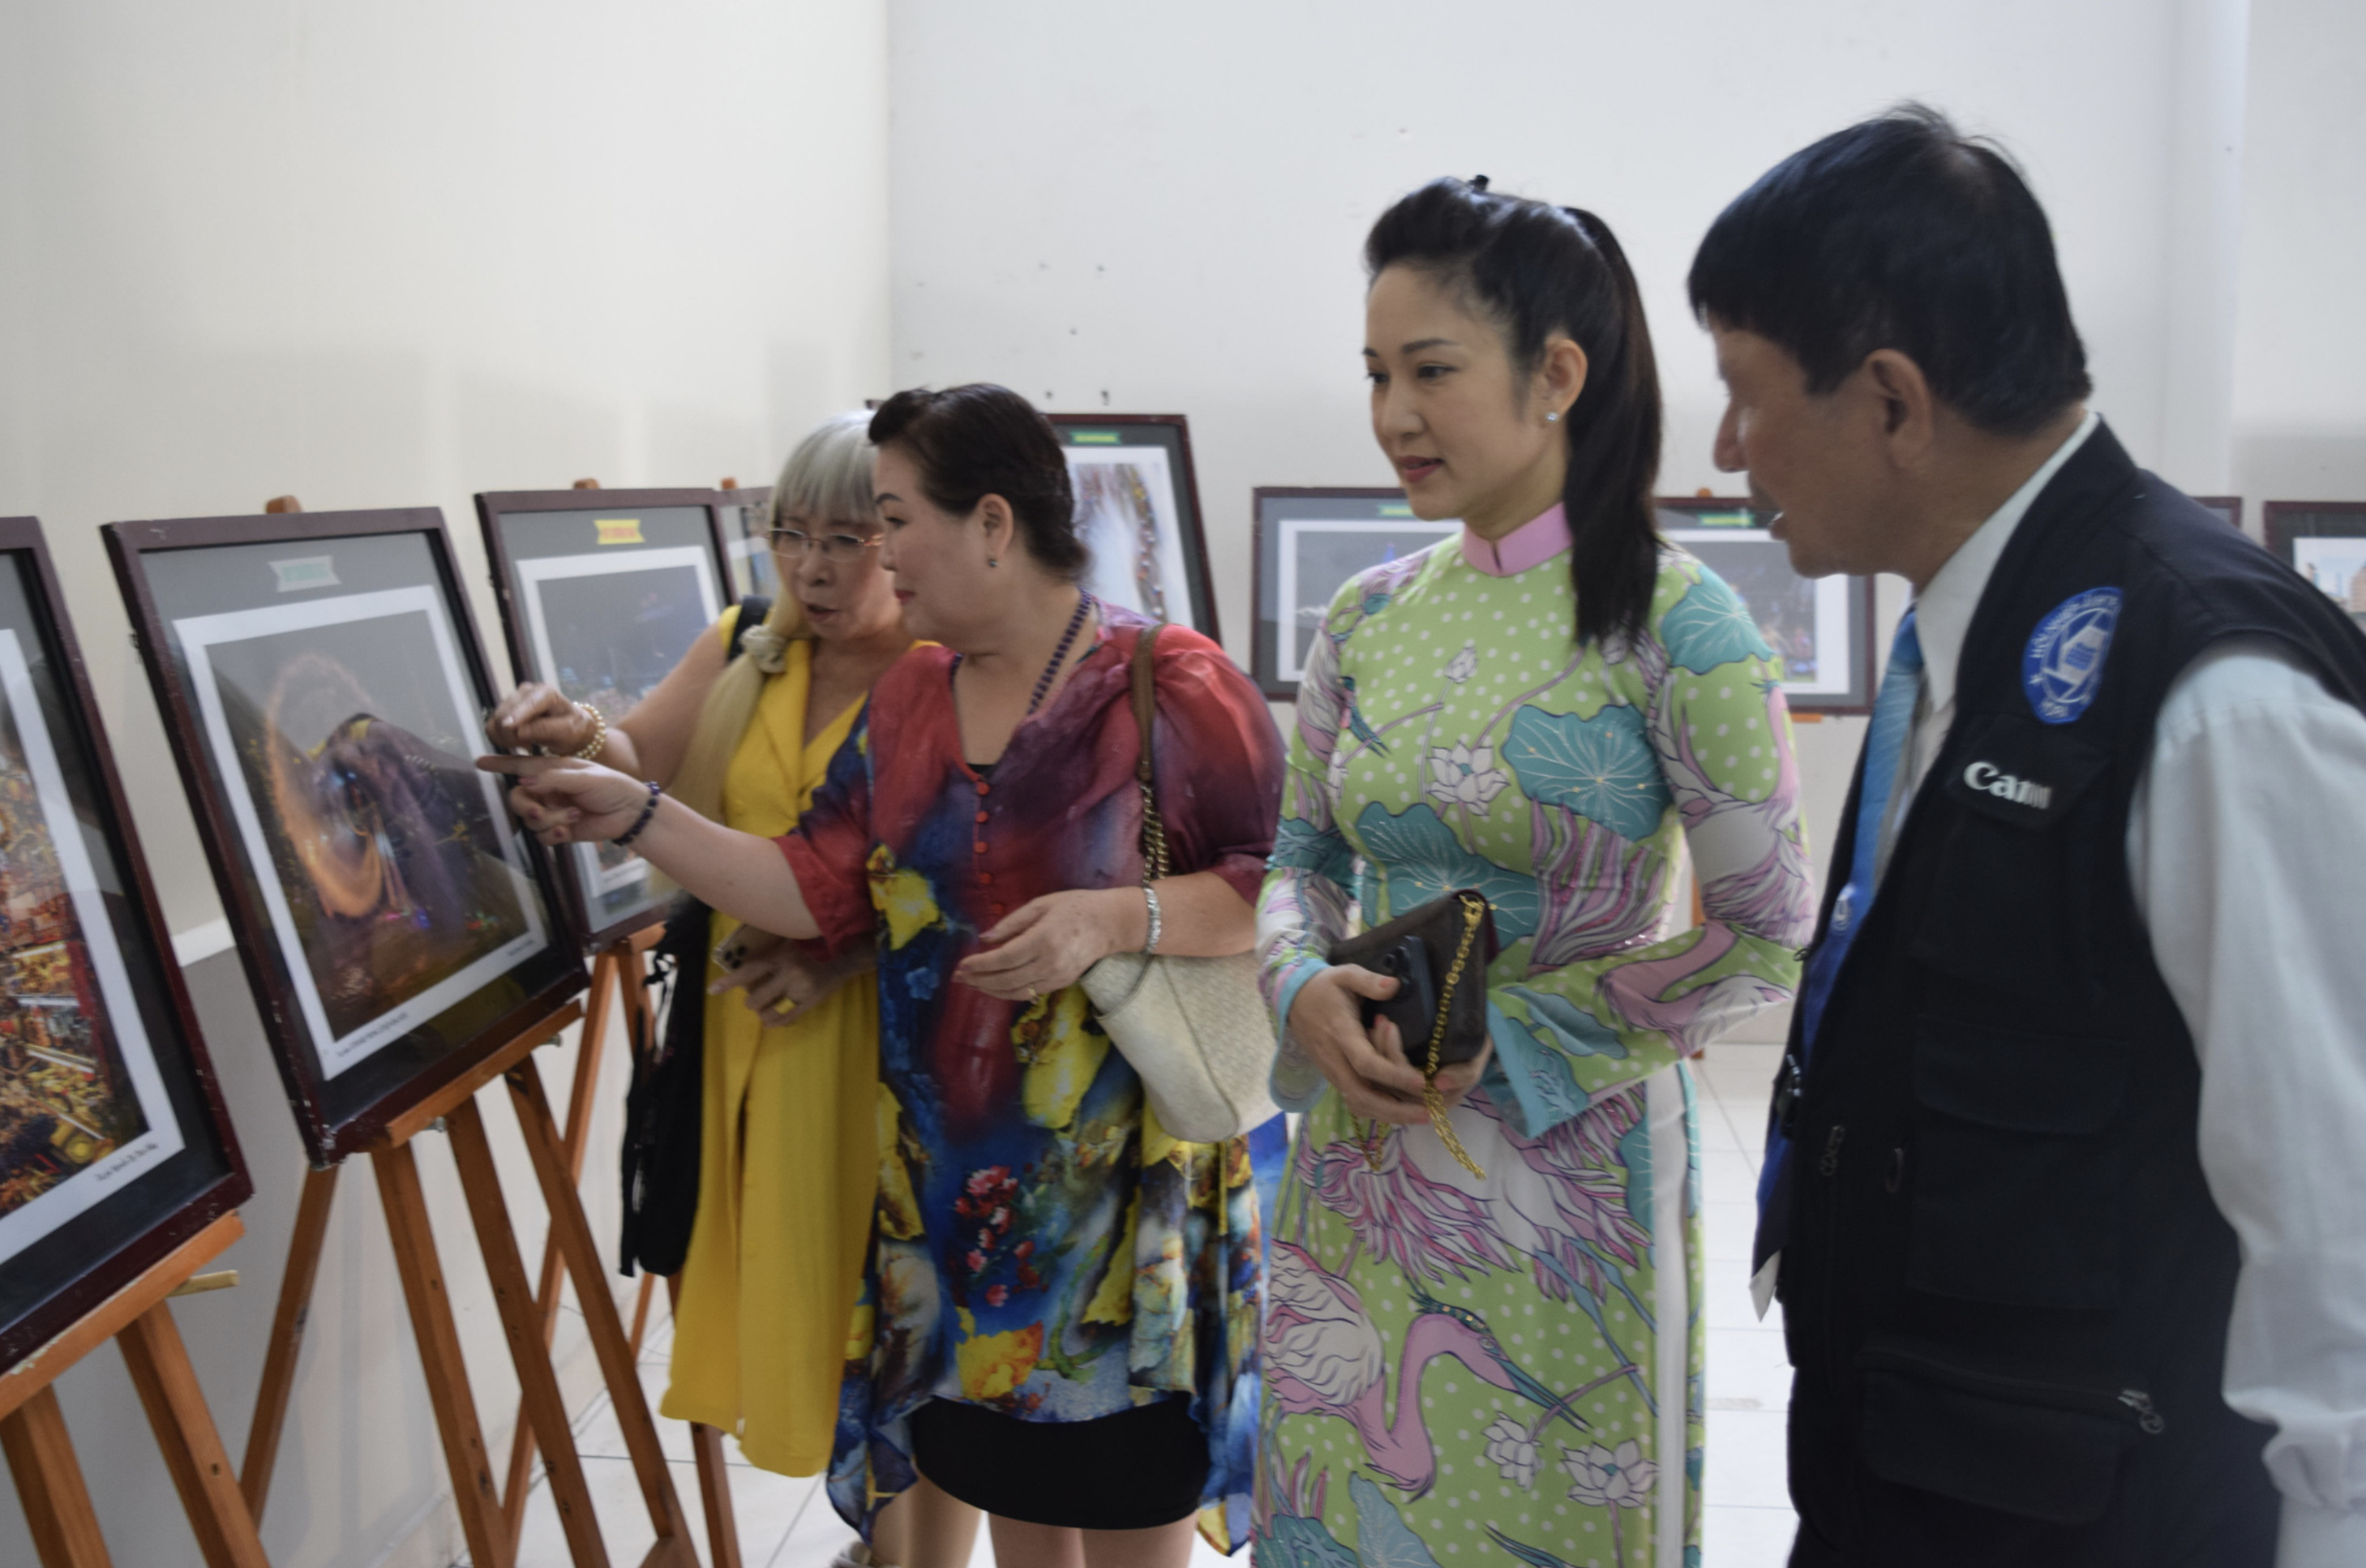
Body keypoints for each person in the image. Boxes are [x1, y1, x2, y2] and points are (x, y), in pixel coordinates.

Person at [1693, 106, 2366, 1566]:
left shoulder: (2215, 693)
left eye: (1745, 392)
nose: (1724, 446)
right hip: (1918, 1472)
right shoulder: (1968, 639)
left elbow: (2335, 1207)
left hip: (2101, 1512)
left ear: (1889, 401)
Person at [483, 383, 1285, 1568]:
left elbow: (1278, 889)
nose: (877, 551)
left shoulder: (1169, 683)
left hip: (1120, 1215)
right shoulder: (914, 694)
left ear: (994, 526)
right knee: (1015, 1514)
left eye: (895, 518)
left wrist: (1114, 918)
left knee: (1120, 1517)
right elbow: (815, 882)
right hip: (949, 1211)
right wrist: (637, 811)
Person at [1254, 178, 1813, 1568]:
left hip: (1566, 1183)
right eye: (1377, 373)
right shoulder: (1366, 614)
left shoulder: (1684, 625)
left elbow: (1762, 933)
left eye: (1430, 371)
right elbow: (1296, 861)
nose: (1392, 413)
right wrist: (1299, 988)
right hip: (1355, 1165)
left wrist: (1508, 1027)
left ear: (1556, 372)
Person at [484, 412, 979, 1568]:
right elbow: (639, 754)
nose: (815, 564)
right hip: (747, 1037)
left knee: (905, 1320)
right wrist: (574, 737)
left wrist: (846, 949)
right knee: (801, 1307)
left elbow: (976, 878)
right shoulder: (751, 638)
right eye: (790, 533)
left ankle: (921, 1554)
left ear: (903, 535)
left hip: (885, 1044)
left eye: (852, 536)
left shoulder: (949, 670)